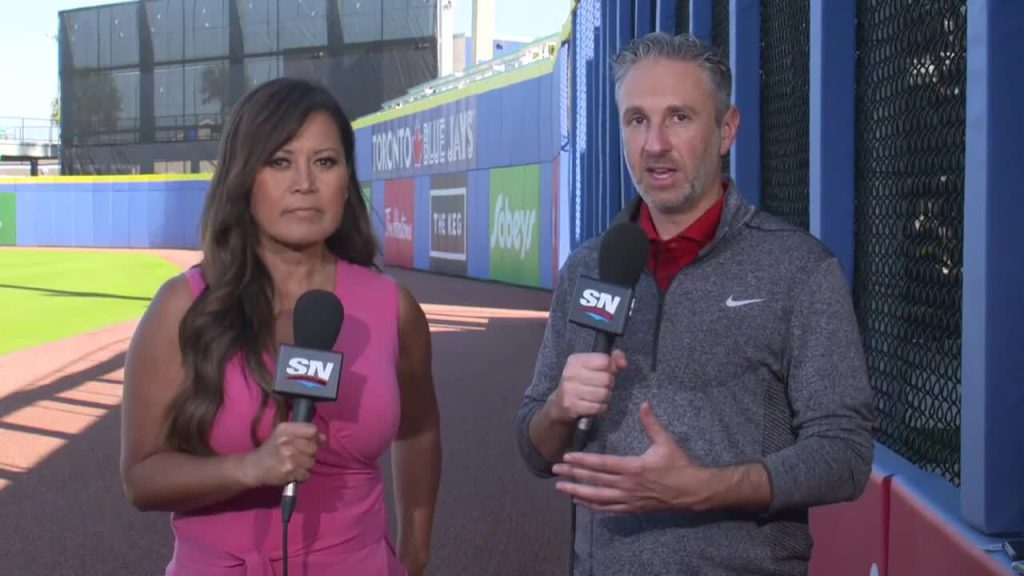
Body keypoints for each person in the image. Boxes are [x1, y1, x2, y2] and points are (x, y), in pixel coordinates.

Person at [516, 32, 874, 575]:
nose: (655, 143)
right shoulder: (589, 268)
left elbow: (845, 456)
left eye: (679, 118)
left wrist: (702, 488)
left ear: (726, 129)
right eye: (636, 120)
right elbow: (536, 451)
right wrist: (559, 407)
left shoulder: (799, 270)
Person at [120, 77, 441, 576]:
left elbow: (419, 429)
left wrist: (415, 552)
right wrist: (250, 468)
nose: (305, 184)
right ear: (244, 178)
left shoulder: (393, 307)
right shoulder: (181, 307)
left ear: (346, 180)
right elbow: (141, 479)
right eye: (279, 161)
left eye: (325, 162)